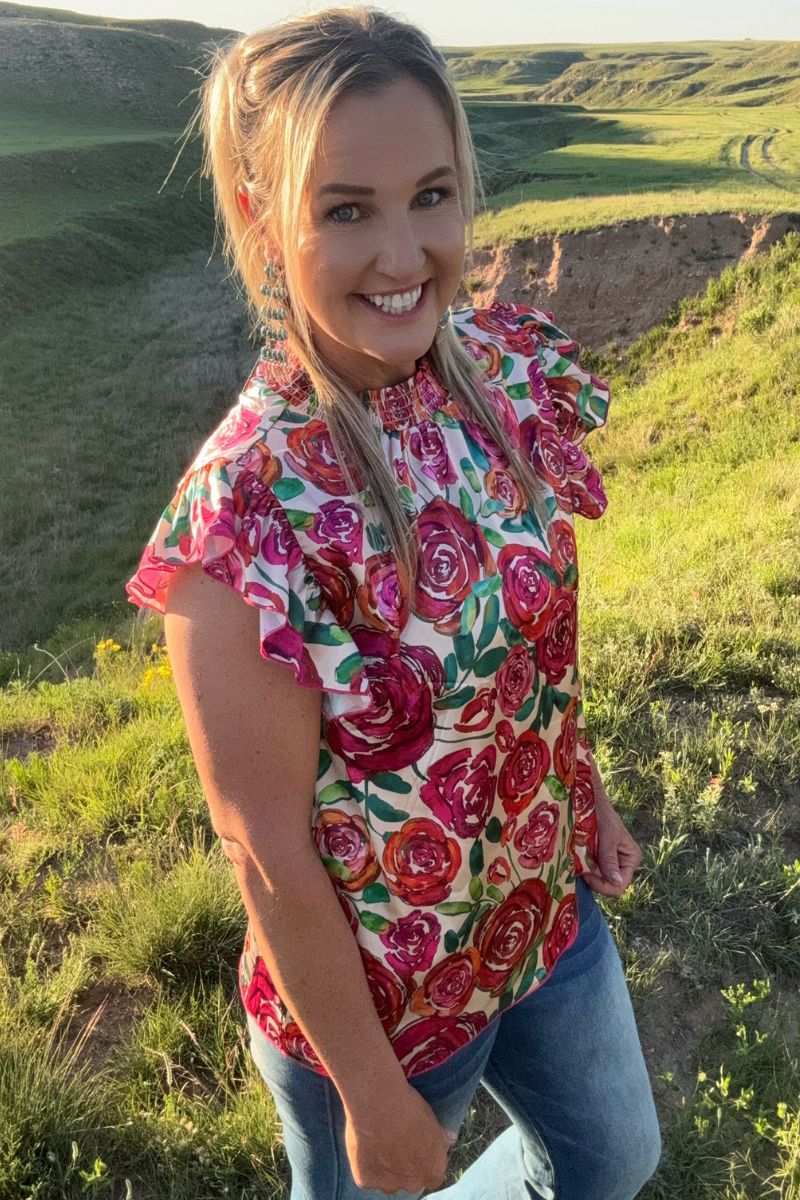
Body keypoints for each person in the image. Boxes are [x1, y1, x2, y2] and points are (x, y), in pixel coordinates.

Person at [125, 7, 662, 1198]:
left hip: (541, 911)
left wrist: (582, 792)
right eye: (345, 210)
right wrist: (370, 1093)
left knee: (614, 1160)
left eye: (430, 195)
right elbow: (263, 847)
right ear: (262, 220)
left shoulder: (499, 373)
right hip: (381, 1009)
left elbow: (529, 646)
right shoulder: (246, 513)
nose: (403, 253)